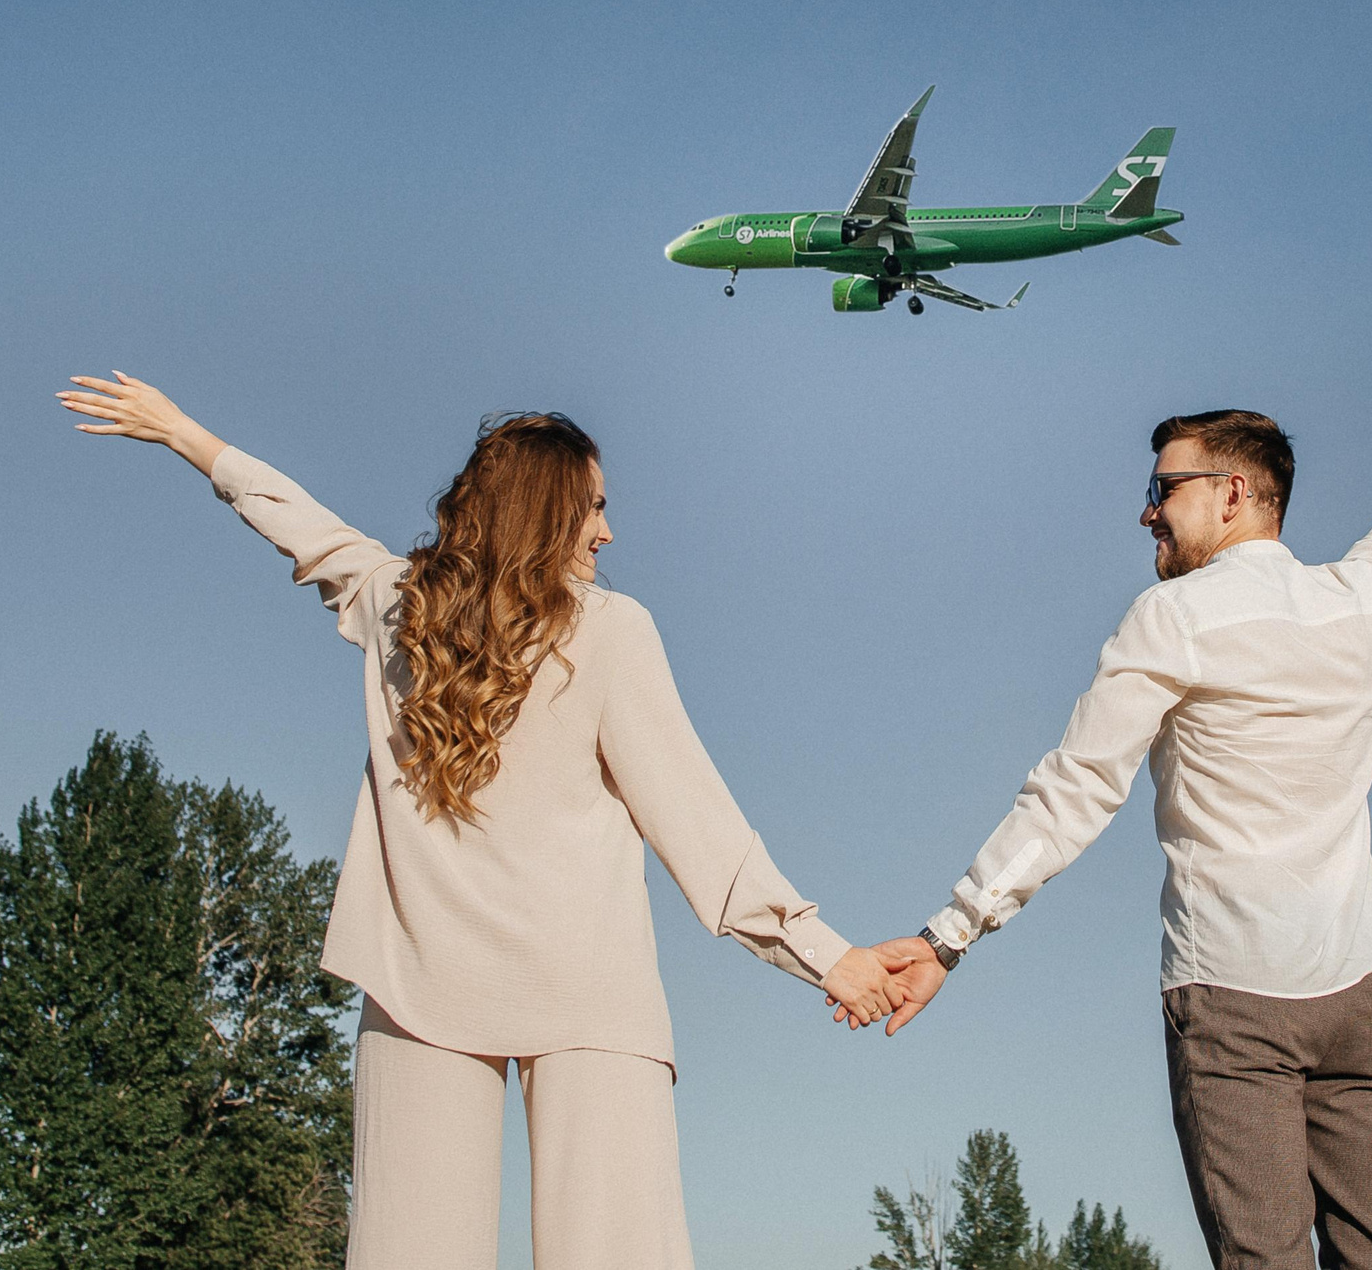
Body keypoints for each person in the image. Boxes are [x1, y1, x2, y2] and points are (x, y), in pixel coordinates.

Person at [55, 372, 896, 1270]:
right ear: (543, 512)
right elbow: (701, 828)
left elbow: (301, 525)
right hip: (589, 996)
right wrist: (827, 957)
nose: (609, 531)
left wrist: (186, 435)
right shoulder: (610, 631)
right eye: (593, 508)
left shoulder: (395, 608)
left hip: (419, 983)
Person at [860, 403, 1372, 1270]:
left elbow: (1076, 789)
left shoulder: (1173, 618)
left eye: (1162, 488)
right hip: (1359, 996)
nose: (1146, 509)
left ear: (1231, 494)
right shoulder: (1358, 600)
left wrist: (948, 935)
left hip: (1236, 996)